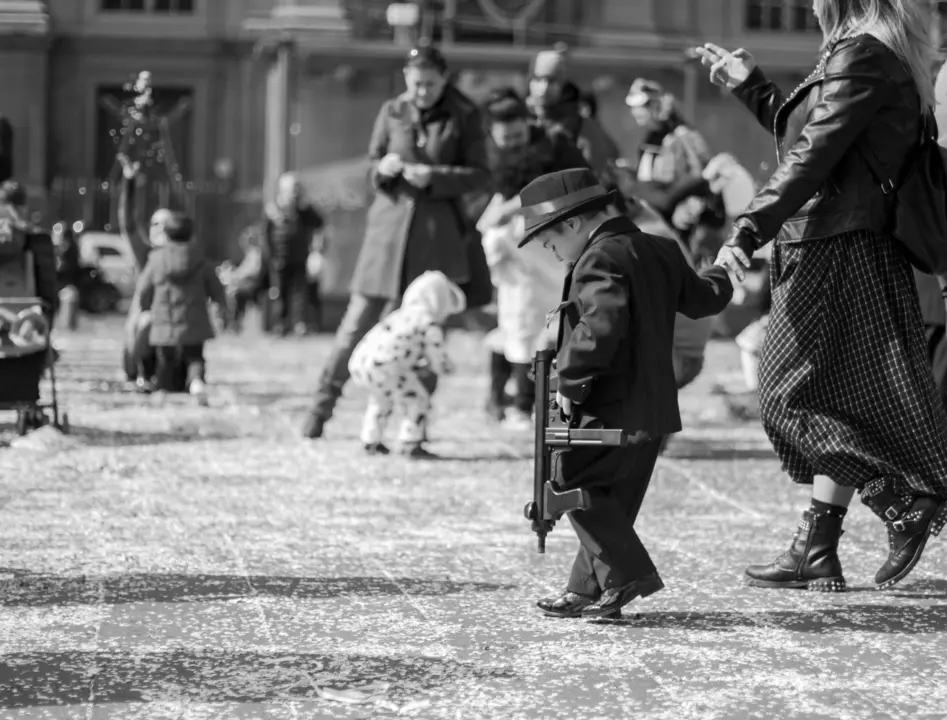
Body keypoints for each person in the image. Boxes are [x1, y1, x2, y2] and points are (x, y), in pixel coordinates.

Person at [698, 0, 947, 591]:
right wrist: (754, 89)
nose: (807, 3)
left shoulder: (863, 54)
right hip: (840, 242)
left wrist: (747, 228)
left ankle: (901, 501)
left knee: (787, 396)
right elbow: (817, 140)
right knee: (834, 396)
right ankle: (816, 546)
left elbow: (814, 153)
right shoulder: (871, 54)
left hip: (834, 248)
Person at [516, 169, 732, 619]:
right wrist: (725, 270)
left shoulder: (598, 258)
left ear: (572, 224)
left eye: (550, 241)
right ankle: (587, 589)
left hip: (610, 406)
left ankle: (630, 573)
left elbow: (599, 326)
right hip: (652, 408)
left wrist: (569, 380)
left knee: (570, 483)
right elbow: (702, 299)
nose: (553, 253)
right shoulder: (660, 248)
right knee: (613, 502)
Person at [302, 44, 489, 439]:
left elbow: (479, 175)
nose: (423, 92)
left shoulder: (466, 115)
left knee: (424, 338)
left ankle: (412, 430)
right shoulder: (391, 111)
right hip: (386, 238)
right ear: (406, 77)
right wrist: (382, 169)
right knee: (355, 325)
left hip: (436, 241)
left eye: (431, 84)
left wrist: (435, 176)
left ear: (444, 79)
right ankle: (320, 409)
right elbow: (371, 167)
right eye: (417, 83)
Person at [477, 87, 589, 428]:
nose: (511, 142)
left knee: (547, 324)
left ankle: (533, 402)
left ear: (529, 123)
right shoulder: (490, 154)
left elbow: (578, 188)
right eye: (504, 137)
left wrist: (517, 206)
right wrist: (497, 212)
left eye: (517, 134)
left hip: (554, 248)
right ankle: (506, 401)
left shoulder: (554, 144)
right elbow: (491, 200)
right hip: (517, 257)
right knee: (515, 323)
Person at [348, 270, 467, 458]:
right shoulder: (427, 323)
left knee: (380, 400)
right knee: (417, 400)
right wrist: (446, 367)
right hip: (388, 368)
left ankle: (370, 441)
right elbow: (437, 357)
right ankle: (410, 443)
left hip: (362, 365)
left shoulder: (399, 315)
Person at [625, 78, 726, 267]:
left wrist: (688, 209)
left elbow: (703, 178)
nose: (635, 111)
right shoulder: (650, 138)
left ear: (657, 105)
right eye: (633, 106)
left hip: (682, 225)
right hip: (655, 220)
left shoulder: (683, 136)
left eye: (642, 105)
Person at [134, 211, 227, 406]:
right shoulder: (200, 260)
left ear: (166, 235)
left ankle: (163, 389)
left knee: (165, 357)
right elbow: (217, 289)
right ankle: (196, 382)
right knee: (194, 355)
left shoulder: (156, 259)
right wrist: (221, 308)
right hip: (194, 318)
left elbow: (144, 288)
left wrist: (145, 308)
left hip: (164, 319)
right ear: (191, 235)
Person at [264, 173, 324, 336]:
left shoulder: (304, 210)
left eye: (297, 188)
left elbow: (319, 223)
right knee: (280, 293)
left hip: (300, 258)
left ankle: (299, 324)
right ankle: (280, 325)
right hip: (280, 260)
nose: (294, 192)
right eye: (292, 189)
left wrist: (316, 252)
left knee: (299, 294)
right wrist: (271, 257)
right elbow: (267, 236)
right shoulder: (274, 210)